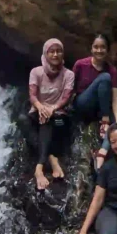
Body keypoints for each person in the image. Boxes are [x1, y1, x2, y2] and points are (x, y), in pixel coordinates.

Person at [19, 38, 75, 191]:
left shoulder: (68, 74)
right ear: (45, 53)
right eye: (52, 51)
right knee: (23, 119)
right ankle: (51, 158)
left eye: (59, 51)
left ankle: (39, 168)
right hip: (38, 112)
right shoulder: (36, 72)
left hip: (59, 117)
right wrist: (40, 107)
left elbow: (66, 97)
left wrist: (52, 108)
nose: (55, 54)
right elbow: (32, 95)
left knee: (49, 120)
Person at [72, 33, 117, 138]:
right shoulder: (80, 64)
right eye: (96, 47)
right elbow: (70, 88)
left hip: (101, 109)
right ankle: (105, 121)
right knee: (104, 78)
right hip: (83, 104)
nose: (99, 50)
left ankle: (103, 152)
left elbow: (115, 98)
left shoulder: (112, 70)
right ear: (91, 49)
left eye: (103, 47)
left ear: (107, 50)